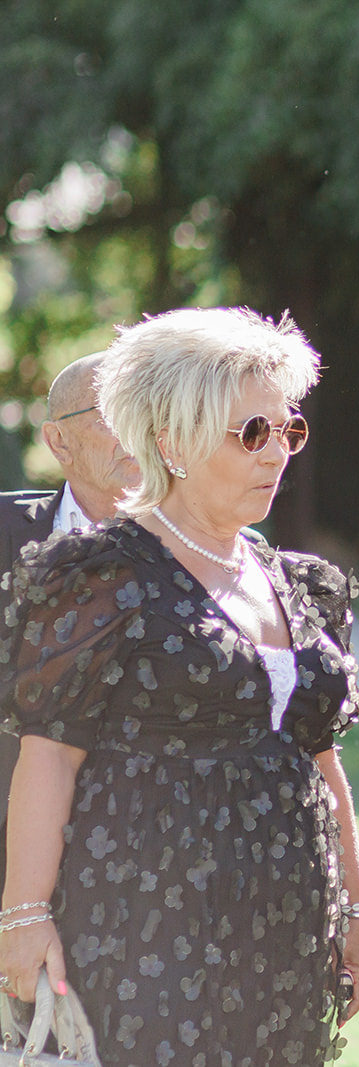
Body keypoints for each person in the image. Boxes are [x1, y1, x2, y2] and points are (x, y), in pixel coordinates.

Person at [0, 307, 359, 1065]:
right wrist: (22, 914)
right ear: (172, 440)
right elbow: (49, 755)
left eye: (288, 429)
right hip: (148, 927)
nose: (278, 453)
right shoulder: (101, 573)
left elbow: (319, 756)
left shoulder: (297, 582)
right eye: (252, 432)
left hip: (283, 926)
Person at [0, 351, 140, 888]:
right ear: (58, 442)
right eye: (114, 416)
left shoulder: (214, 549)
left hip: (147, 850)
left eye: (148, 415)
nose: (138, 434)